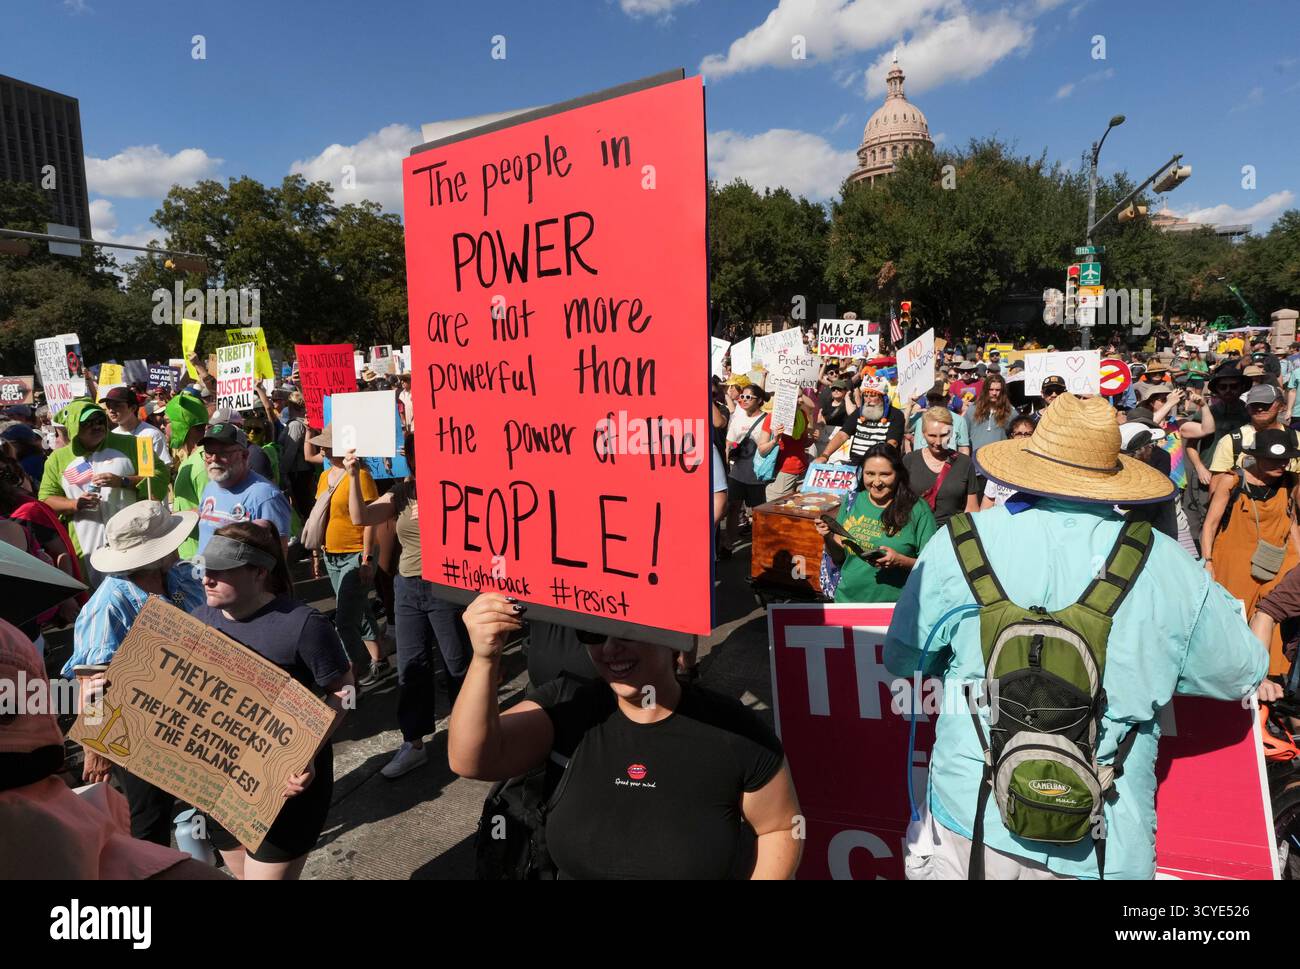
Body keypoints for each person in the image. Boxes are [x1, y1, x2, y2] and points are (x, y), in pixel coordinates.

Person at [886, 393, 1269, 879]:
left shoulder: (958, 541)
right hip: (1101, 829)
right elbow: (1239, 672)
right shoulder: (1165, 563)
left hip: (973, 810)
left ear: (1027, 464)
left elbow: (904, 659)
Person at [448, 593, 803, 879]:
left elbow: (781, 828)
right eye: (593, 633)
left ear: (676, 637)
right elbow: (472, 758)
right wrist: (484, 658)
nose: (609, 648)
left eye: (628, 631)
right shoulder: (568, 705)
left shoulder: (734, 731)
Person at [193, 521, 353, 879]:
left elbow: (347, 692)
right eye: (206, 569)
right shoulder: (198, 619)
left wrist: (304, 751)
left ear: (260, 573)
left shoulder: (303, 624)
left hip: (284, 788)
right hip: (220, 788)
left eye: (221, 571)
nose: (206, 578)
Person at [64, 501, 205, 845]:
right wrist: (96, 747)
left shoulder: (180, 575)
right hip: (135, 725)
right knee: (149, 814)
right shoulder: (108, 605)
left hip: (189, 711)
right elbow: (91, 683)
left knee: (201, 794)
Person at [344, 434, 472, 778]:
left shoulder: (458, 483)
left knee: (457, 662)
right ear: (409, 458)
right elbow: (360, 517)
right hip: (408, 588)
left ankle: (471, 734)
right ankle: (413, 743)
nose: (420, 459)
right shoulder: (401, 492)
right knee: (412, 666)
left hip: (447, 586)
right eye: (415, 454)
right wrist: (353, 475)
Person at [38, 399, 170, 585]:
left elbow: (160, 477)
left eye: (100, 420)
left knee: (142, 593)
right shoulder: (57, 459)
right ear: (74, 426)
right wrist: (74, 504)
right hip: (86, 545)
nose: (97, 426)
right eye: (88, 423)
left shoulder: (136, 444)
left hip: (135, 540)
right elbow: (45, 501)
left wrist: (124, 481)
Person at [1201, 428, 1300, 675]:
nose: (1281, 465)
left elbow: (1293, 524)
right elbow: (1210, 524)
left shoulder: (1291, 483)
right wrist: (1208, 561)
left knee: (1276, 624)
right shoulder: (1231, 480)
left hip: (1279, 562)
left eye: (1285, 459)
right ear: (1256, 456)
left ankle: (1273, 682)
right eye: (1274, 459)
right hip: (1233, 562)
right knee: (1231, 625)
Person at [309, 425, 386, 684]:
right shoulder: (324, 476)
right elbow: (322, 516)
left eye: (327, 445)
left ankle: (355, 673)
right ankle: (379, 659)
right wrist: (317, 553)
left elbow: (369, 521)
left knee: (343, 621)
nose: (322, 449)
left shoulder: (360, 475)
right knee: (359, 610)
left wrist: (367, 559)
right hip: (331, 553)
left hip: (355, 555)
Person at [815, 443, 936, 604]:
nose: (877, 482)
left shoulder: (918, 509)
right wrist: (828, 536)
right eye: (870, 474)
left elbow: (932, 566)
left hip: (894, 607)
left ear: (898, 474)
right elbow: (839, 557)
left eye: (885, 474)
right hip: (847, 601)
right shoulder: (853, 500)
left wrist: (900, 560)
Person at [196, 420, 292, 554]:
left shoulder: (266, 496)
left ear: (244, 455)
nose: (214, 459)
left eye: (223, 453)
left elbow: (278, 554)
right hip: (202, 573)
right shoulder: (210, 487)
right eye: (208, 453)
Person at [903, 407, 979, 530]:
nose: (938, 442)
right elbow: (901, 503)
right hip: (915, 531)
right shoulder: (909, 461)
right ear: (923, 433)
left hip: (952, 534)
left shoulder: (965, 463)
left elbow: (972, 509)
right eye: (932, 435)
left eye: (944, 435)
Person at [724, 384, 774, 550]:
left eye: (748, 397)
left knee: (757, 513)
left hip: (757, 474)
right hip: (737, 472)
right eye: (742, 397)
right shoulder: (737, 418)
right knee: (733, 508)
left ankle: (758, 549)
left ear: (759, 400)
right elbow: (728, 443)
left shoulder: (768, 419)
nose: (743, 400)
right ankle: (728, 544)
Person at [1207, 383, 1295, 476]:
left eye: (1266, 404)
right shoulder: (1231, 441)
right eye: (1254, 404)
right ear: (1247, 408)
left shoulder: (1296, 438)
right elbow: (1217, 483)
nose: (1260, 408)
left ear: (1281, 407)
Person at [818, 376, 904, 465]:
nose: (868, 400)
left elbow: (892, 443)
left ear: (883, 397)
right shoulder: (859, 412)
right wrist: (824, 456)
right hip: (856, 462)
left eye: (873, 395)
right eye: (866, 396)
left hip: (882, 463)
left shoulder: (896, 415)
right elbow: (842, 434)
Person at [165, 392, 210, 560]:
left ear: (185, 425)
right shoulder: (188, 459)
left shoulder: (204, 462)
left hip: (202, 556)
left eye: (169, 422)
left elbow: (213, 508)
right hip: (188, 554)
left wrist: (172, 519)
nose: (164, 427)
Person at [762, 395, 815, 501]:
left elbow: (803, 443)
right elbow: (762, 450)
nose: (801, 400)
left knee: (798, 511)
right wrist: (774, 440)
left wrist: (813, 439)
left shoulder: (802, 415)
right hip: (783, 473)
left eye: (801, 396)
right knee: (777, 511)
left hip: (802, 471)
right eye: (797, 397)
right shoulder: (772, 418)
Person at [979, 415, 1036, 509]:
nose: (1023, 438)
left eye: (1028, 434)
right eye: (1018, 434)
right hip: (1001, 520)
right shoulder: (998, 465)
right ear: (1011, 437)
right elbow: (989, 499)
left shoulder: (1040, 467)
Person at [102, 386, 169, 465]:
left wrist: (124, 478)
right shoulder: (110, 437)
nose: (111, 410)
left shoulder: (151, 435)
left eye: (117, 405)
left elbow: (164, 470)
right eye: (108, 405)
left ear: (133, 408)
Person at [967, 373, 1013, 455]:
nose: (994, 393)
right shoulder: (972, 410)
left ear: (1002, 392)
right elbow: (963, 437)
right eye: (991, 389)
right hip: (976, 460)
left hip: (999, 459)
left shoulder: (1010, 413)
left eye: (998, 390)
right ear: (985, 391)